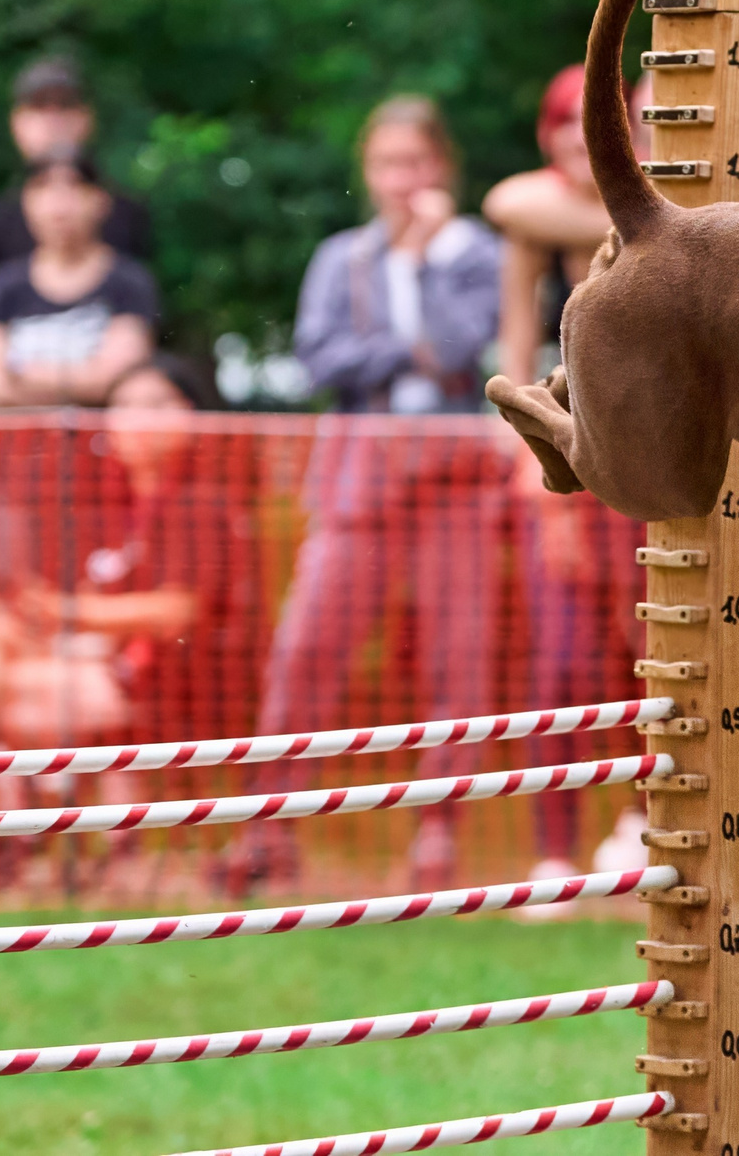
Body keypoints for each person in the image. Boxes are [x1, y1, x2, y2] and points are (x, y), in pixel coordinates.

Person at [230, 96, 504, 895]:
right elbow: (320, 360)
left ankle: (439, 831)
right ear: (368, 173)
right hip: (358, 482)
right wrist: (405, 353)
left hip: (453, 486)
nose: (402, 180)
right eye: (387, 165)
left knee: (460, 660)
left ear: (441, 168)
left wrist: (419, 267)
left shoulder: (472, 252)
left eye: (416, 163)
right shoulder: (338, 259)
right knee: (307, 649)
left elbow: (462, 345)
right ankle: (269, 826)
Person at [0, 356, 233, 891]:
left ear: (192, 417)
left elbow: (175, 611)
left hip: (156, 682)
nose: (136, 419)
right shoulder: (103, 503)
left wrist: (64, 611)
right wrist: (48, 616)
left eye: (154, 404)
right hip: (79, 660)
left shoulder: (201, 503)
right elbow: (78, 600)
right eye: (124, 406)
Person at [482, 66, 652, 911]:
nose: (569, 140)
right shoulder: (540, 219)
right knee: (560, 656)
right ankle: (552, 850)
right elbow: (509, 208)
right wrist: (526, 457)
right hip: (555, 451)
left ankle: (639, 818)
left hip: (640, 452)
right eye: (558, 125)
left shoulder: (650, 210)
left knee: (643, 645)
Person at [0, 55, 155, 360]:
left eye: (64, 106)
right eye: (38, 107)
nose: (52, 119)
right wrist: (18, 323)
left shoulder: (126, 214)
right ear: (16, 122)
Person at [0, 149, 162, 408]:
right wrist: (77, 380)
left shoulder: (130, 282)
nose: (59, 202)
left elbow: (112, 381)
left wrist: (23, 376)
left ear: (101, 200)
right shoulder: (4, 285)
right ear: (26, 201)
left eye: (74, 185)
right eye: (43, 186)